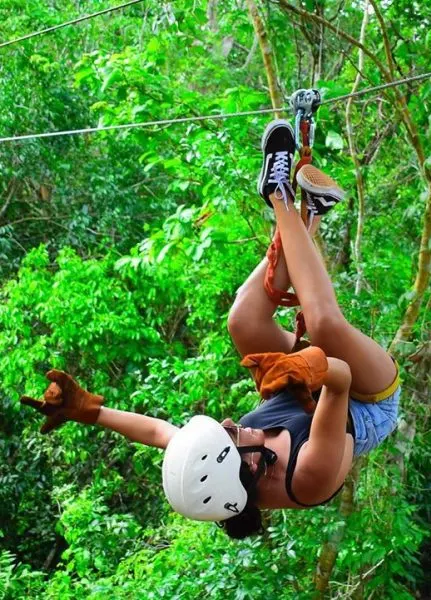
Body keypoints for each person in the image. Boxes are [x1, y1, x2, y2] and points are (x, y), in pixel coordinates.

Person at [20, 120, 401, 539]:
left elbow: (159, 433)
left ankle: (308, 213)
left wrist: (88, 412)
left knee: (243, 321)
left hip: (302, 385)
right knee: (326, 326)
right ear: (250, 468)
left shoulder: (217, 455)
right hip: (362, 399)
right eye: (234, 435)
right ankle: (280, 196)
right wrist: (313, 367)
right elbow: (341, 379)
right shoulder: (309, 478)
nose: (231, 424)